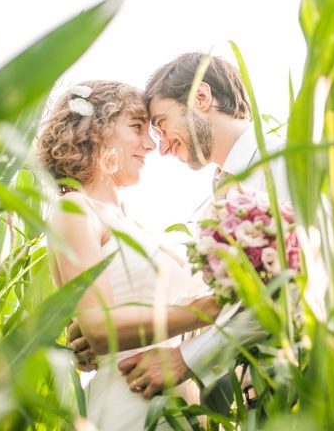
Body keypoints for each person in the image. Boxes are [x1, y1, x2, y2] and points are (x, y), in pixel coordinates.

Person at [37, 80, 223, 430]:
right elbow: (99, 328)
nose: (151, 144)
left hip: (180, 407)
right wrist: (206, 311)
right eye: (137, 128)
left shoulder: (137, 227)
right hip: (131, 406)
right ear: (94, 132)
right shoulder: (76, 210)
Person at [116, 52, 291, 407]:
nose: (162, 147)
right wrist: (108, 330)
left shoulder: (283, 161)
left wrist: (186, 358)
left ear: (201, 97)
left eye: (163, 124)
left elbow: (289, 288)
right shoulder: (217, 202)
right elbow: (221, 300)